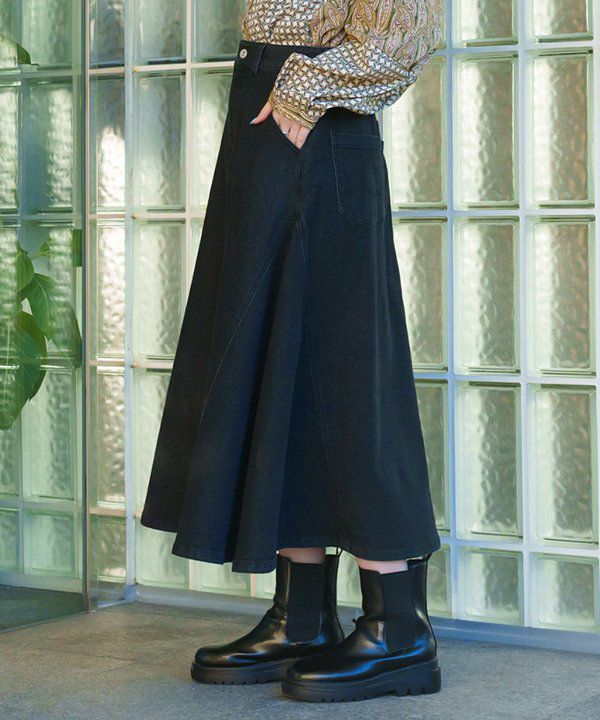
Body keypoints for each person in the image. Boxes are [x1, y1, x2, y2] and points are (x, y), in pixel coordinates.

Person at [141, 0, 444, 704]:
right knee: (281, 364)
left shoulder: (310, 92)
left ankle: (399, 627)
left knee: (348, 371)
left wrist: (303, 86)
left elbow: (405, 29)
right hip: (267, 116)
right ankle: (301, 615)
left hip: (317, 122)